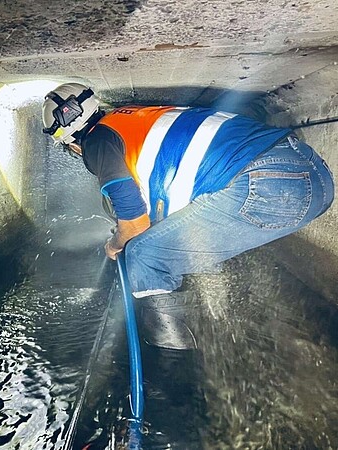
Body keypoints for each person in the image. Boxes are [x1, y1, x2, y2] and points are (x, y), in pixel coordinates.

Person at [42, 82, 334, 349]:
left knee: (143, 255)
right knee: (172, 239)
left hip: (268, 185)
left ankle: (173, 368)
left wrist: (116, 245)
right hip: (314, 175)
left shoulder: (98, 142)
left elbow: (134, 224)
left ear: (70, 142)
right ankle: (205, 327)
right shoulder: (133, 118)